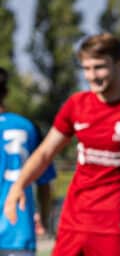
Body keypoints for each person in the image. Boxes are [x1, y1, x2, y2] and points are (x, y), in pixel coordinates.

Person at [3, 34, 120, 256]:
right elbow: (45, 153)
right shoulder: (76, 104)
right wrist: (19, 185)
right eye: (86, 68)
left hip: (114, 227)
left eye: (99, 67)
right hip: (72, 223)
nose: (92, 76)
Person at [0, 67, 56, 256]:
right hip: (19, 230)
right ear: (6, 92)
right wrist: (45, 219)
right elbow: (45, 181)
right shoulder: (27, 127)